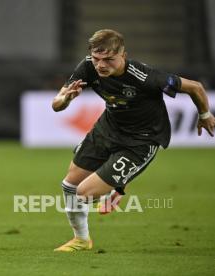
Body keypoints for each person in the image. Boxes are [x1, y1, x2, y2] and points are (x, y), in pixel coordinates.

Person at [51, 29, 215, 252]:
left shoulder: (146, 77)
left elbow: (195, 87)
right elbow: (56, 104)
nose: (101, 65)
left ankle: (116, 188)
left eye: (109, 59)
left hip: (141, 140)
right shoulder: (88, 66)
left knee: (85, 193)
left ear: (123, 55)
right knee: (70, 185)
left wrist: (205, 115)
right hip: (108, 128)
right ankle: (81, 240)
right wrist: (66, 99)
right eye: (97, 58)